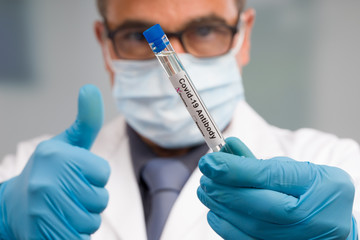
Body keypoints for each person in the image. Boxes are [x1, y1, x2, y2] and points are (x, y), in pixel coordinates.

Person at [0, 0, 359, 239]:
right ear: (105, 44)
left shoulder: (336, 165)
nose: (176, 58)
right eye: (137, 35)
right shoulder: (30, 176)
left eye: (205, 30)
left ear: (244, 36)